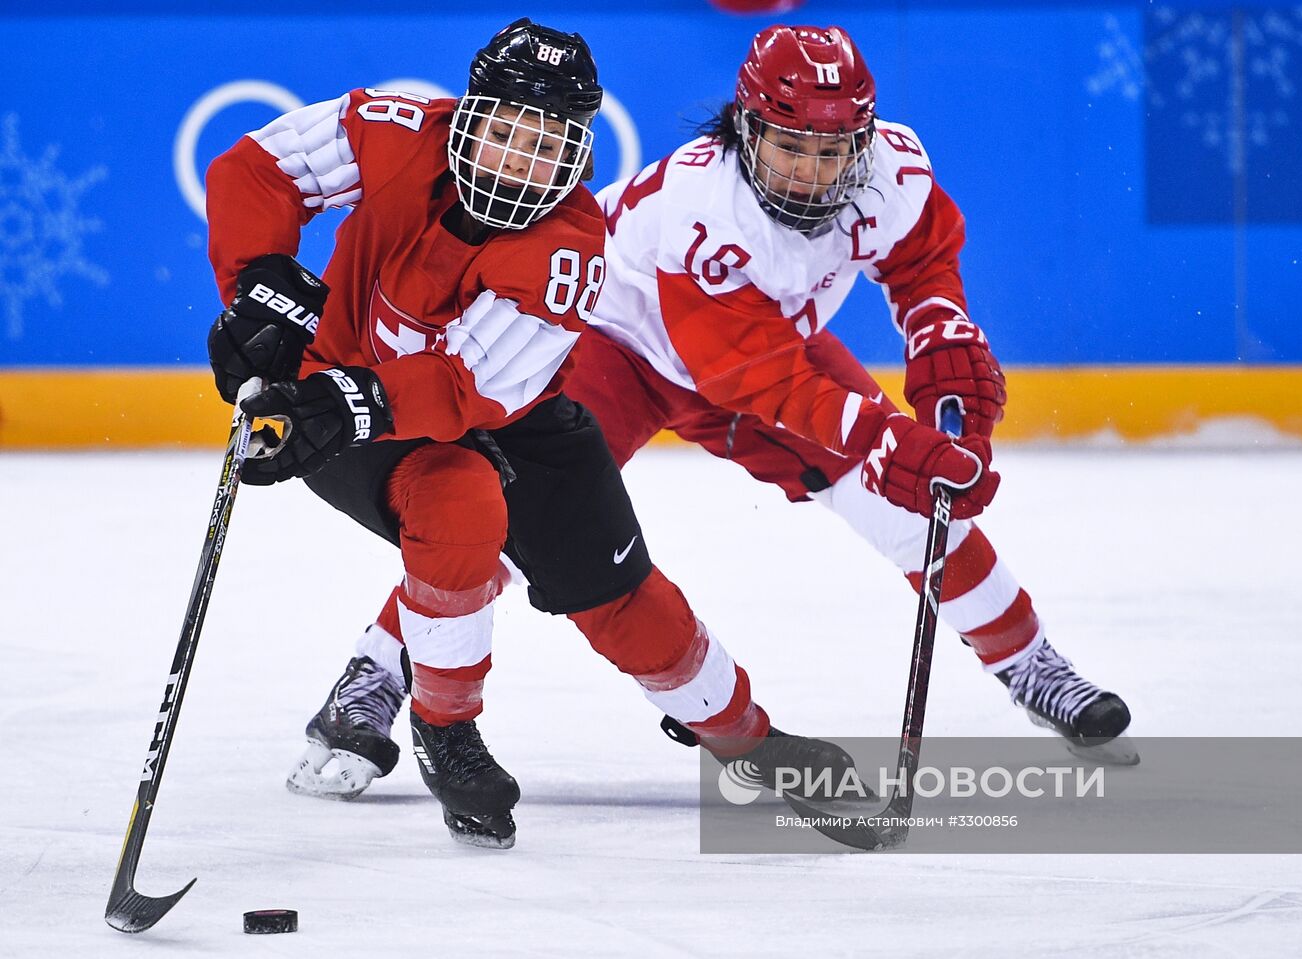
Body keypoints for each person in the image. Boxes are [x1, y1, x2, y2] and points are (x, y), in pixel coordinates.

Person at [287, 22, 1134, 806]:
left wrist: (942, 341)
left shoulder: (892, 173)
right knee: (518, 524)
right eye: (791, 145)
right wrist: (887, 435)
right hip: (610, 344)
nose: (811, 169)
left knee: (910, 499)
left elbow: (921, 264)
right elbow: (756, 381)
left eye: (833, 149)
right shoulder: (700, 211)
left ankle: (1033, 665)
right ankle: (376, 674)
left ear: (864, 142)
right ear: (746, 128)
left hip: (767, 348)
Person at [204, 18, 872, 849]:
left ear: (579, 152)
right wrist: (258, 282)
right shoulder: (395, 129)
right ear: (467, 115)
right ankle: (445, 726)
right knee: (459, 499)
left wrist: (342, 399)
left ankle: (746, 739)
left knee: (627, 600)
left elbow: (466, 386)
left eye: (547, 143)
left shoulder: (571, 246)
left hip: (495, 410)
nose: (521, 160)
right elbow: (256, 171)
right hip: (355, 410)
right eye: (506, 132)